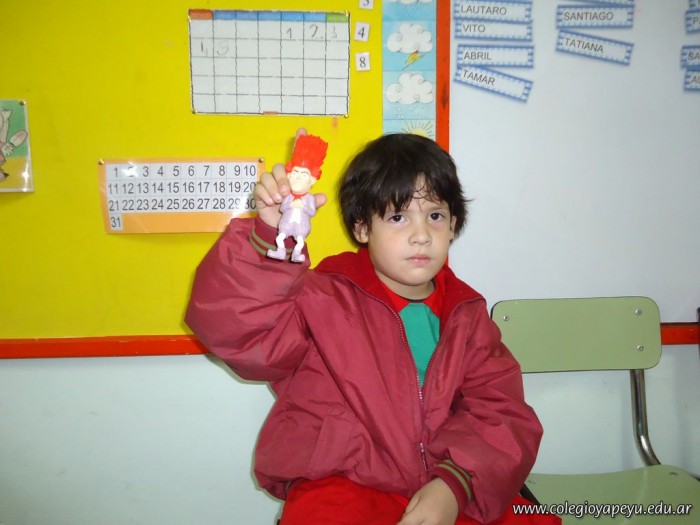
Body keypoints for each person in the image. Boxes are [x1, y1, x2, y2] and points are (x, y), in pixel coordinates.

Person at [186, 131, 559, 525]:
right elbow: (242, 335)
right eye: (398, 217)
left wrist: (455, 485)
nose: (421, 235)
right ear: (363, 228)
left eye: (435, 216)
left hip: (450, 483)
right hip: (341, 483)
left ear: (453, 225)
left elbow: (502, 411)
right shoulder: (321, 297)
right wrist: (270, 240)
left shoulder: (465, 315)